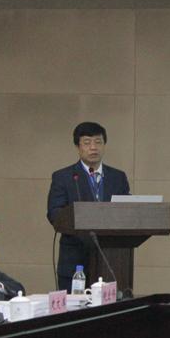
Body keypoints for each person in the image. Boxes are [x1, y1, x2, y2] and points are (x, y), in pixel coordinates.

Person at [47, 122, 130, 291]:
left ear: (104, 145)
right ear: (78, 147)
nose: (93, 147)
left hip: (112, 259)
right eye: (87, 142)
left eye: (98, 142)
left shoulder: (118, 177)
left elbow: (126, 210)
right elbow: (54, 214)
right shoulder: (64, 177)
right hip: (75, 259)